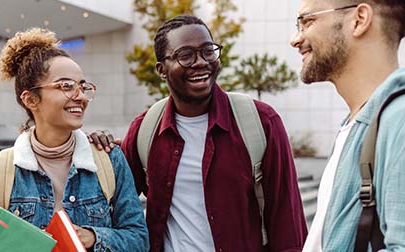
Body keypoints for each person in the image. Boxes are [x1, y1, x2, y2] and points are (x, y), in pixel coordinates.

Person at [90, 14, 307, 251]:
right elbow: (110, 204)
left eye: (208, 51)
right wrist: (97, 150)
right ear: (162, 70)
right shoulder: (145, 130)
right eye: (185, 55)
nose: (201, 62)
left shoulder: (261, 122)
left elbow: (288, 224)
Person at [0, 27, 149, 251]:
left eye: (82, 86)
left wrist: (93, 237)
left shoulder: (109, 160)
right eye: (66, 86)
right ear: (31, 99)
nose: (80, 96)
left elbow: (139, 239)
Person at [290, 0, 405, 250]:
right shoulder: (356, 123)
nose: (295, 39)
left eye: (307, 21)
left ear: (359, 19)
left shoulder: (400, 121)